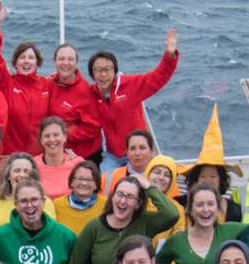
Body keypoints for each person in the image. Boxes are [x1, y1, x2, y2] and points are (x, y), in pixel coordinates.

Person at [89, 29, 180, 175]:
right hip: (114, 156)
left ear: (115, 71)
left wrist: (169, 55)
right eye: (98, 70)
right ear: (92, 74)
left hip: (139, 153)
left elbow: (158, 77)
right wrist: (57, 79)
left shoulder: (130, 85)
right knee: (107, 185)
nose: (103, 74)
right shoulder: (93, 93)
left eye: (107, 69)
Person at [68, 175, 180, 264]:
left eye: (130, 197)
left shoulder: (145, 222)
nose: (123, 201)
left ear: (138, 204)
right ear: (112, 197)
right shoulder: (94, 227)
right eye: (119, 194)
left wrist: (148, 187)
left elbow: (172, 214)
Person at [0, 0, 50, 154]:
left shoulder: (47, 85)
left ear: (37, 63)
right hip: (9, 154)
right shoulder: (5, 83)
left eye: (31, 57)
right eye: (22, 57)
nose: (26, 61)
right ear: (15, 62)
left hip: (39, 155)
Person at [155, 183, 245, 264]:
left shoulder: (231, 231)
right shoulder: (176, 241)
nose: (205, 209)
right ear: (191, 210)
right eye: (200, 205)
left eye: (211, 204)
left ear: (218, 209)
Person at [177, 104, 243, 223]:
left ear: (221, 179)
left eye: (213, 176)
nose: (208, 180)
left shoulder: (234, 210)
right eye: (203, 176)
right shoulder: (179, 204)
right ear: (195, 179)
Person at [48, 43, 102, 163]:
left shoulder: (85, 92)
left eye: (70, 59)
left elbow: (93, 128)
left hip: (84, 156)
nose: (65, 63)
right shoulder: (50, 84)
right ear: (54, 62)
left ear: (76, 62)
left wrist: (62, 133)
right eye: (61, 59)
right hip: (57, 151)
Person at [0, 153, 58, 229]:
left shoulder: (44, 201)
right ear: (8, 175)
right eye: (17, 171)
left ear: (34, 176)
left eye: (26, 171)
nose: (21, 175)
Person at [52, 160, 107, 237]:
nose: (84, 183)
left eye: (89, 179)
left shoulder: (105, 204)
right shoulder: (57, 204)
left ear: (96, 184)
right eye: (80, 179)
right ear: (71, 182)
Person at [101, 129, 157, 197]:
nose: (137, 153)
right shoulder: (110, 178)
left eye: (142, 148)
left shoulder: (162, 179)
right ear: (127, 153)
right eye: (132, 148)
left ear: (152, 151)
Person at [35, 117, 81, 199]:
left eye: (56, 135)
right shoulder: (33, 165)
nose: (52, 139)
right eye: (47, 136)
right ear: (41, 140)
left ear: (64, 137)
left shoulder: (78, 164)